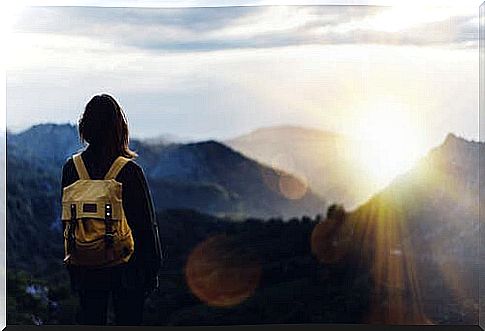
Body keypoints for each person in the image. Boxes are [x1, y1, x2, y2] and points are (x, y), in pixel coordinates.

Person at [60, 94, 162, 325]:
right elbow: (146, 227)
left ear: (84, 127)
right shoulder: (129, 171)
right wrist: (151, 272)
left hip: (85, 266)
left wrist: (72, 267)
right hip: (127, 269)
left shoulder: (71, 168)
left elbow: (67, 222)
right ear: (119, 128)